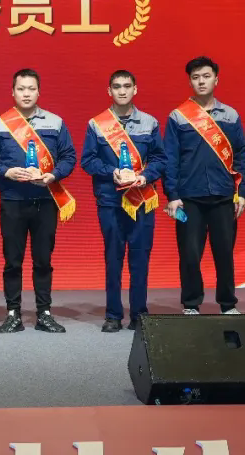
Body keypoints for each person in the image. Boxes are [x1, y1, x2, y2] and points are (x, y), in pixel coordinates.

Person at [0, 68, 77, 334]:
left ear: (38, 92)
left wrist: (53, 175)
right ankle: (13, 313)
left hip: (45, 202)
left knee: (43, 260)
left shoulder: (55, 123)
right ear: (12, 92)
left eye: (31, 89)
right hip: (12, 201)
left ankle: (44, 313)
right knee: (13, 261)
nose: (26, 94)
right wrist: (6, 172)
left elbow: (69, 156)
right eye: (21, 89)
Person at [163, 56, 245, 315]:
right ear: (190, 82)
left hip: (224, 196)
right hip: (188, 198)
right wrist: (172, 195)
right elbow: (170, 159)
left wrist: (242, 193)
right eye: (195, 77)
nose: (201, 82)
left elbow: (241, 155)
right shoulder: (178, 116)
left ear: (216, 80)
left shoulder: (230, 115)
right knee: (189, 254)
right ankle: (191, 304)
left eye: (206, 76)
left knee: (224, 254)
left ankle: (228, 303)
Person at [80, 70, 166, 332]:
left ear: (135, 89)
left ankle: (139, 314)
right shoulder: (97, 124)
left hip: (141, 199)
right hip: (110, 201)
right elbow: (88, 160)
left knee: (140, 259)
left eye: (127, 86)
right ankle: (113, 315)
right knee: (113, 259)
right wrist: (112, 172)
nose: (122, 91)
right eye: (116, 86)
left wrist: (144, 176)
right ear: (109, 91)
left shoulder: (150, 123)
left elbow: (160, 159)